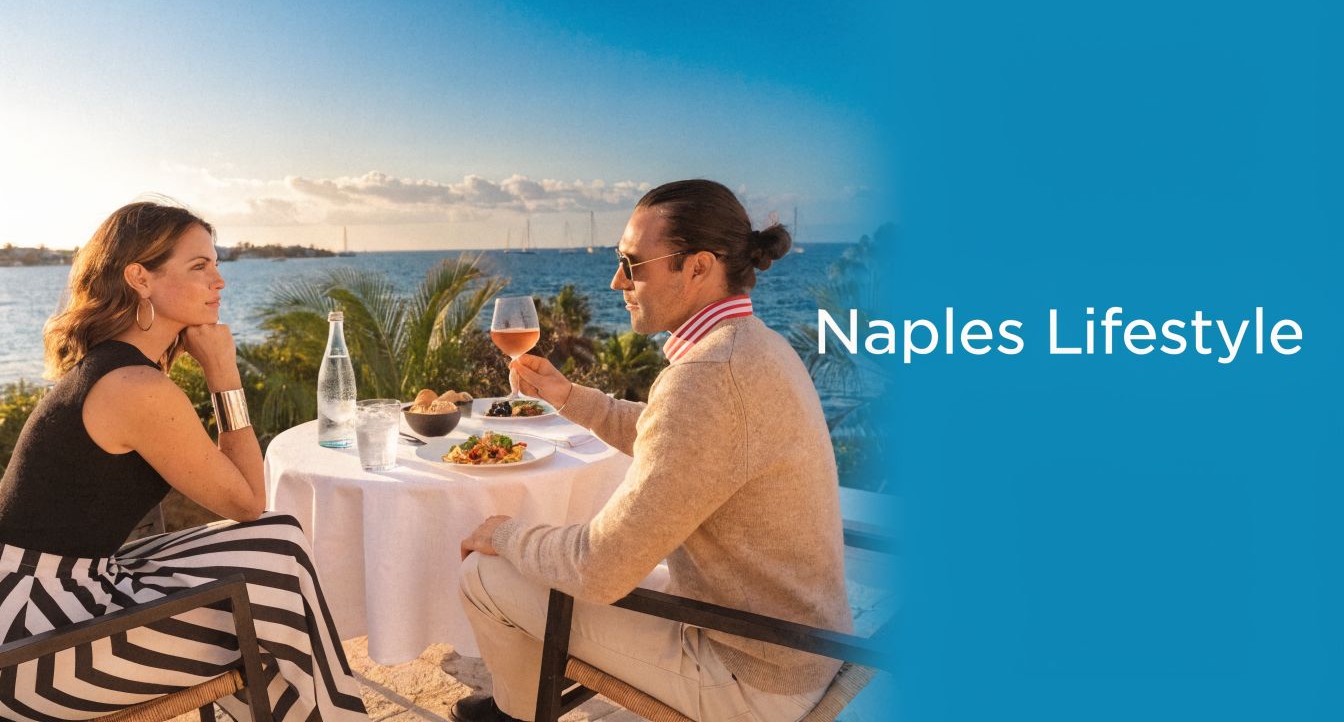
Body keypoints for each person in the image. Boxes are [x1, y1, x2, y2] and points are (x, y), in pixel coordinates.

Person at [454, 180, 851, 722]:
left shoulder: (708, 377)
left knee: (486, 572)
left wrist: (503, 532)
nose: (617, 279)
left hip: (752, 675)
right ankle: (518, 703)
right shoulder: (755, 345)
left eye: (632, 263)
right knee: (546, 562)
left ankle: (518, 713)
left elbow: (600, 568)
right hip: (791, 641)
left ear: (698, 267)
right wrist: (569, 397)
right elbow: (677, 438)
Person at [0, 201, 368, 722]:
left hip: (60, 590)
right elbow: (246, 500)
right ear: (140, 279)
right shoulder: (133, 386)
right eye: (200, 267)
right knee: (270, 589)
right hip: (35, 639)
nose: (220, 281)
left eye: (216, 265)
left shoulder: (118, 367)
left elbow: (253, 514)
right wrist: (222, 371)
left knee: (276, 544)